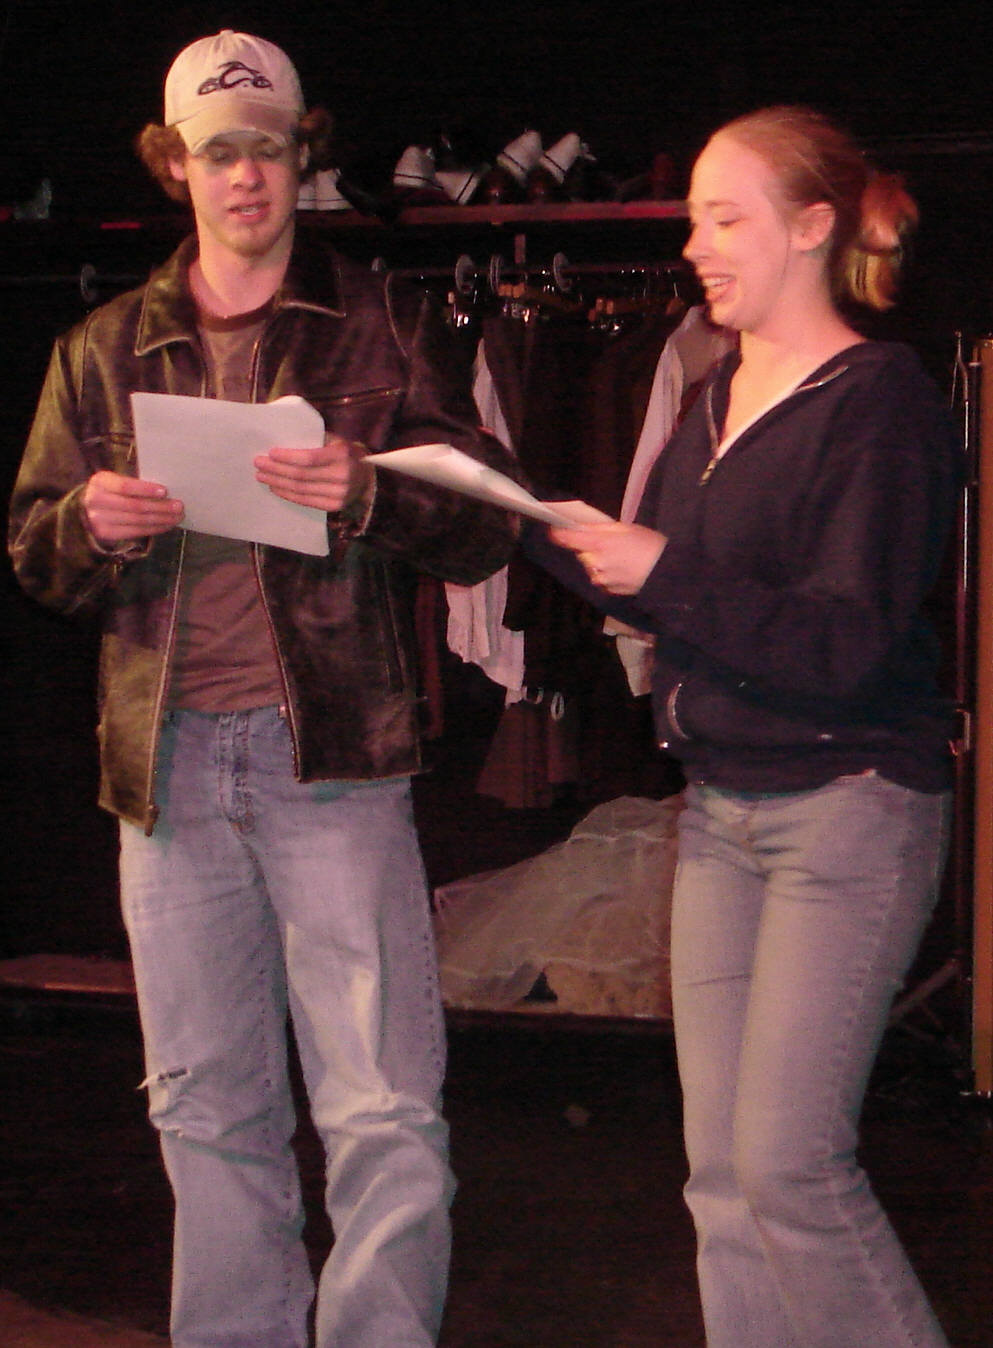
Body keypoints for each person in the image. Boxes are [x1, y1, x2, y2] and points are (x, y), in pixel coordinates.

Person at [8, 29, 522, 1348]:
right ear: (176, 165)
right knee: (203, 1104)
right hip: (168, 769)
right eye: (220, 151)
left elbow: (487, 525)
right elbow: (34, 553)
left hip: (331, 762)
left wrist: (371, 490)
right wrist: (88, 526)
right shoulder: (101, 348)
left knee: (383, 1107)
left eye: (271, 149)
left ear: (303, 157)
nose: (246, 175)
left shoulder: (382, 323)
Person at [528, 106, 958, 1346]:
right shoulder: (714, 395)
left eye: (726, 219)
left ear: (813, 227)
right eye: (693, 220)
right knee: (721, 1179)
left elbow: (841, 642)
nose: (696, 247)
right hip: (721, 815)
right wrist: (512, 516)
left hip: (847, 813)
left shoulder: (879, 401)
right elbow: (671, 590)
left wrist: (658, 569)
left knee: (790, 1170)